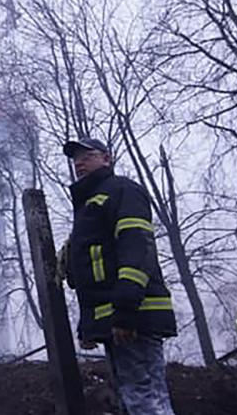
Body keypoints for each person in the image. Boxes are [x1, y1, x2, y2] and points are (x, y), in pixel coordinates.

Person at [62, 136, 177, 415]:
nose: (79, 163)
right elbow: (94, 269)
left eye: (87, 156)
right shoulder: (89, 205)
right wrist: (88, 326)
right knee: (133, 396)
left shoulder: (121, 190)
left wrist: (125, 311)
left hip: (135, 313)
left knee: (145, 398)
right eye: (76, 159)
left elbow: (136, 246)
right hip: (117, 317)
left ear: (107, 158)